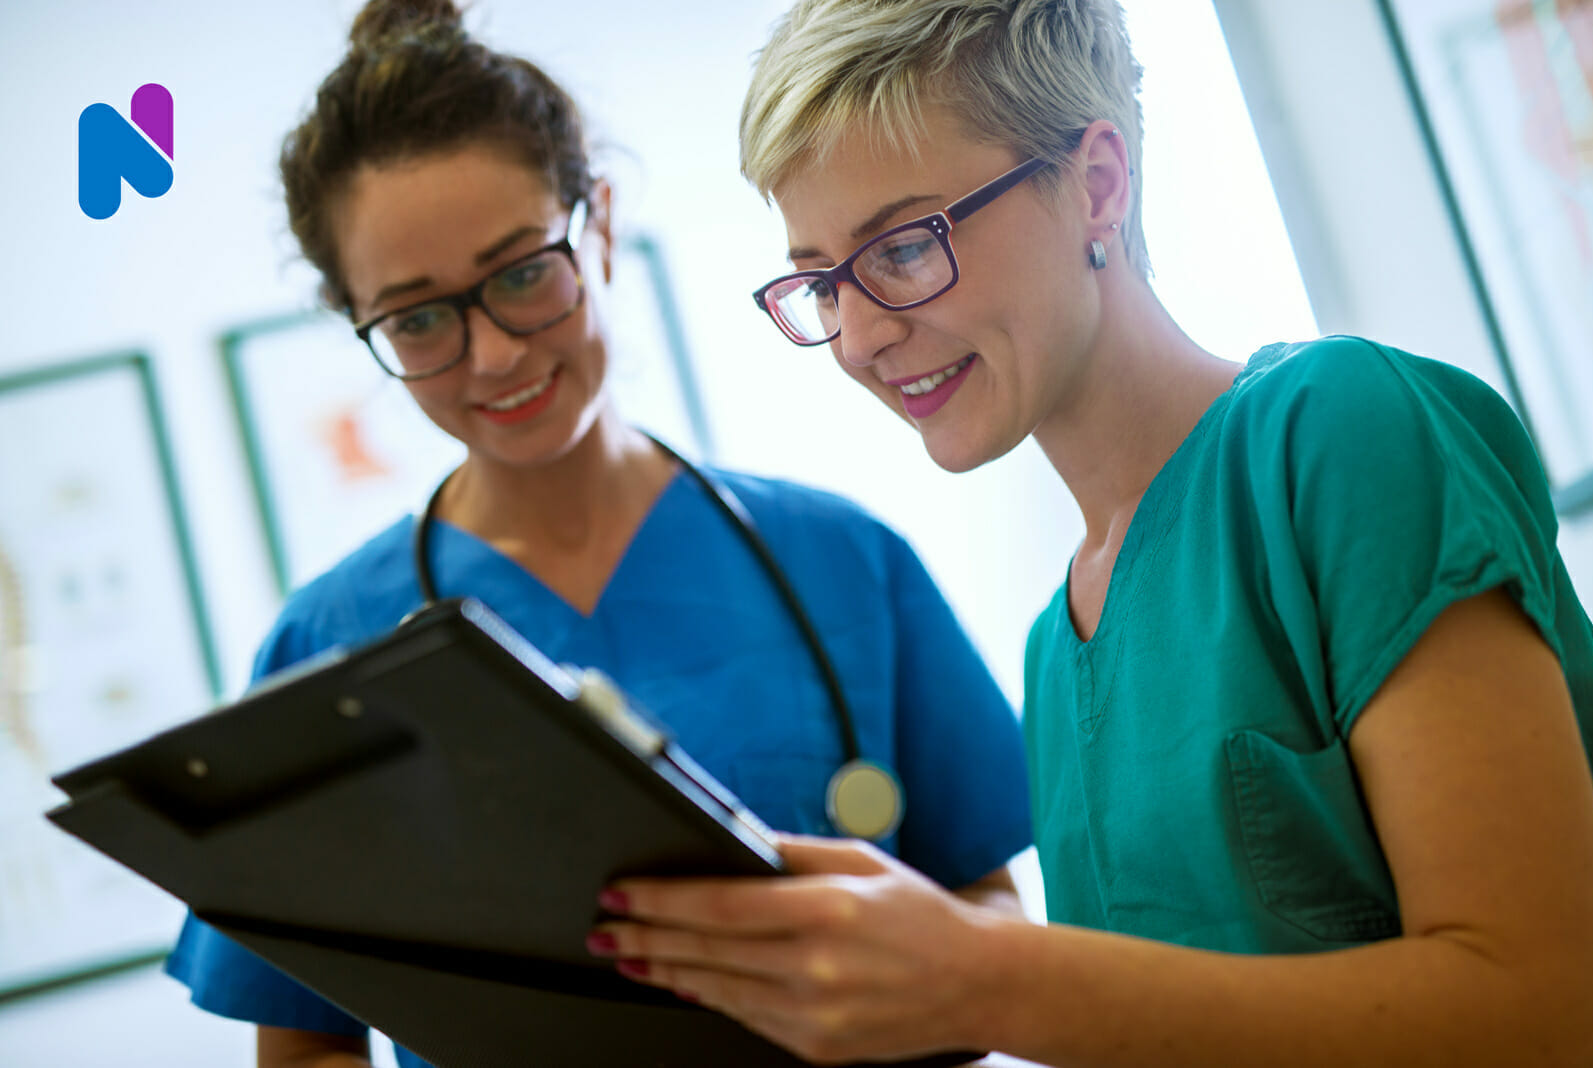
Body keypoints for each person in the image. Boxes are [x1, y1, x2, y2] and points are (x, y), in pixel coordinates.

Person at [590, 1, 1593, 1064]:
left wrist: (983, 977)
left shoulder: (1336, 433)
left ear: (1097, 184)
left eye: (900, 246)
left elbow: (1545, 1000)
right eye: (822, 280)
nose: (861, 336)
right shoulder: (1056, 645)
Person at [162, 2, 1035, 1065]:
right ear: (362, 322)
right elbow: (305, 1044)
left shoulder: (843, 560)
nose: (490, 356)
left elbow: (989, 917)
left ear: (601, 224)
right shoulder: (326, 649)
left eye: (523, 272)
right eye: (419, 318)